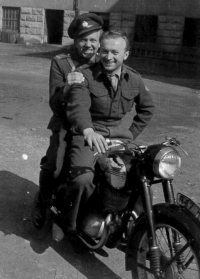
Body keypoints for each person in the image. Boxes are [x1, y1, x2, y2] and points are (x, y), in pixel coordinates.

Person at [63, 30, 154, 233]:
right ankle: (76, 224)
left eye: (115, 52)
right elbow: (79, 106)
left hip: (118, 136)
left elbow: (147, 108)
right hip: (88, 133)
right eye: (104, 51)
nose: (109, 57)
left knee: (141, 174)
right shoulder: (84, 74)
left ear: (126, 54)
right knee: (82, 179)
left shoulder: (134, 79)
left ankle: (135, 226)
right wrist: (88, 130)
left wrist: (131, 133)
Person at [31, 13, 104, 231]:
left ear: (99, 41)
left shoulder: (104, 62)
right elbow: (54, 104)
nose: (88, 44)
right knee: (54, 167)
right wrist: (66, 88)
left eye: (93, 39)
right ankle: (42, 201)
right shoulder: (62, 63)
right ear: (75, 40)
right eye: (83, 39)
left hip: (93, 126)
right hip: (65, 125)